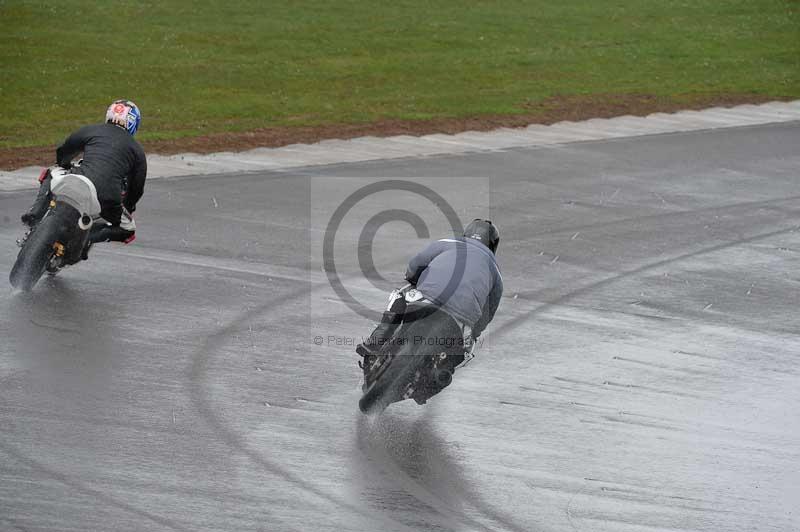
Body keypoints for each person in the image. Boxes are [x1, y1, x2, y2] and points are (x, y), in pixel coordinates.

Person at [357, 219, 503, 395]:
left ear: (467, 233)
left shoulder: (447, 243)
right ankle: (438, 377)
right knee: (461, 353)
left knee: (400, 294)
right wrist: (474, 333)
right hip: (460, 320)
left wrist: (412, 278)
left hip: (426, 300)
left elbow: (416, 264)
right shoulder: (496, 272)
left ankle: (376, 340)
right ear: (493, 245)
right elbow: (488, 313)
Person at [21, 99, 147, 251]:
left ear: (109, 115)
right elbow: (137, 188)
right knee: (128, 230)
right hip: (106, 198)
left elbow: (65, 149)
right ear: (134, 124)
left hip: (79, 179)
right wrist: (128, 207)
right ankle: (87, 239)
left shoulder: (93, 130)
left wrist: (64, 164)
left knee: (51, 172)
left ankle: (34, 213)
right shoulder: (137, 150)